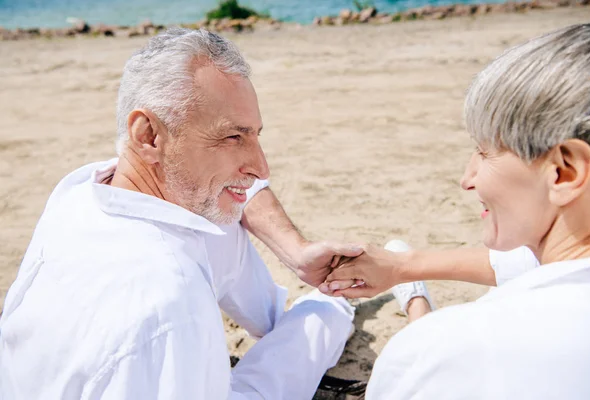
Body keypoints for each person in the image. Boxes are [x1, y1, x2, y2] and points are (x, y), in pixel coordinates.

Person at [0, 28, 366, 400]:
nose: (262, 166)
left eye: (255, 136)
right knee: (292, 356)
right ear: (149, 135)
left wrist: (296, 250)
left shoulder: (84, 191)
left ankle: (305, 314)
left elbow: (243, 188)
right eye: (232, 138)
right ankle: (329, 310)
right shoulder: (171, 303)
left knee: (218, 217)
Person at [324, 22, 590, 399]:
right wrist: (403, 267)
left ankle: (418, 308)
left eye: (485, 152)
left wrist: (422, 331)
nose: (467, 179)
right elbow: (529, 265)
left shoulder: (448, 350)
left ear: (566, 171)